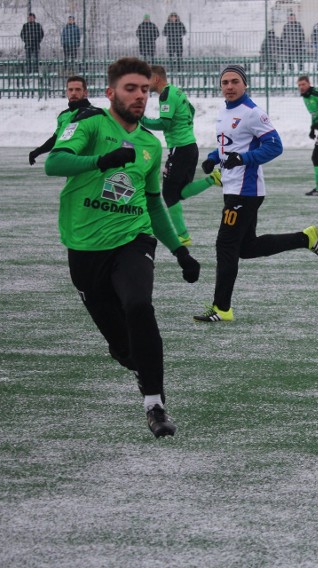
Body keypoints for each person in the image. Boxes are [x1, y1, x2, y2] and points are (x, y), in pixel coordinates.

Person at [43, 57, 202, 438]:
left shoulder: (150, 143)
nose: (140, 96)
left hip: (134, 239)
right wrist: (102, 160)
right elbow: (55, 162)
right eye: (131, 89)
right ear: (110, 92)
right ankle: (136, 363)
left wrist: (180, 250)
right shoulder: (90, 125)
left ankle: (155, 405)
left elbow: (152, 203)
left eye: (145, 89)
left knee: (138, 305)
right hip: (84, 246)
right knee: (125, 349)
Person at [195, 65, 318, 323]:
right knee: (245, 247)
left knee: (226, 244)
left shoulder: (253, 113)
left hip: (246, 191)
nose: (229, 86)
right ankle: (305, 238)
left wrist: (243, 158)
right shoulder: (224, 112)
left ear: (245, 85)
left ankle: (222, 308)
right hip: (232, 188)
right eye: (225, 82)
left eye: (234, 81)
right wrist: (212, 158)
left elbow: (275, 146)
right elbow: (227, 147)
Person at [141, 65, 220, 246]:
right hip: (189, 146)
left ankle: (183, 236)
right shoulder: (177, 91)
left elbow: (165, 123)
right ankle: (212, 180)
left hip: (181, 149)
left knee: (169, 194)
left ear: (156, 79)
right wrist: (185, 128)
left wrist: (142, 120)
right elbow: (191, 111)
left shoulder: (166, 95)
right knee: (180, 193)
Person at [28, 75, 94, 166]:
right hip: (72, 169)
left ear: (85, 93)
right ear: (67, 92)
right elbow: (56, 138)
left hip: (92, 167)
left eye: (78, 89)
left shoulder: (96, 114)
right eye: (70, 90)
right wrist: (38, 151)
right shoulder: (63, 116)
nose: (73, 93)